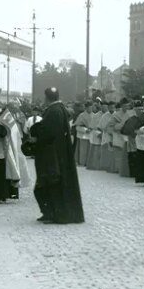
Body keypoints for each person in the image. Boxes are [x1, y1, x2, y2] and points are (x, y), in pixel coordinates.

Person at [29, 87, 85, 224]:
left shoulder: (54, 111)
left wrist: (36, 137)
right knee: (51, 184)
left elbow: (49, 133)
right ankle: (51, 212)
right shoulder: (59, 109)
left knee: (51, 183)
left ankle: (56, 214)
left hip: (52, 154)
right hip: (58, 153)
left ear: (47, 98)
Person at [86, 102, 104, 170]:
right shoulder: (96, 115)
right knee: (95, 150)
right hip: (96, 133)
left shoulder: (108, 114)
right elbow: (92, 126)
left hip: (104, 134)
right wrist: (98, 133)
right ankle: (94, 165)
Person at [99, 102, 116, 172]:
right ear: (108, 108)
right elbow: (101, 126)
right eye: (110, 107)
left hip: (115, 135)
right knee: (107, 151)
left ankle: (113, 166)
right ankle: (106, 166)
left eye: (113, 107)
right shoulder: (104, 116)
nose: (112, 109)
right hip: (106, 135)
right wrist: (107, 128)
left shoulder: (116, 114)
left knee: (114, 151)